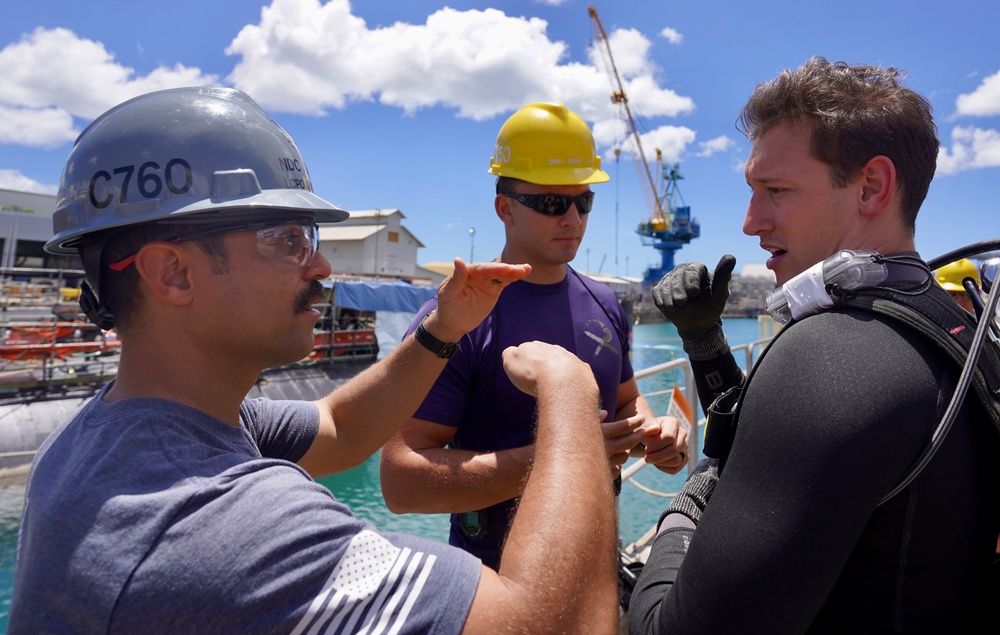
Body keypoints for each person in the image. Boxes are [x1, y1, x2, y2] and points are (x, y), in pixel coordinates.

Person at [9, 86, 621, 634]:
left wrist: (442, 330)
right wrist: (568, 396)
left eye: (312, 238)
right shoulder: (218, 524)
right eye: (285, 239)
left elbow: (342, 428)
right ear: (172, 272)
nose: (321, 266)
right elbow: (559, 626)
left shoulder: (128, 429)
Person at [629, 57, 1000, 633]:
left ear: (872, 187)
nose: (750, 222)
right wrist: (706, 343)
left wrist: (687, 504)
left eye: (776, 190)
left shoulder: (836, 354)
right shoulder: (944, 319)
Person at [379, 102, 689, 570]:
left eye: (583, 201)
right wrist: (569, 456)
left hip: (595, 567)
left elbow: (626, 400)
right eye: (551, 203)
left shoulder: (604, 302)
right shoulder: (456, 319)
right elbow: (401, 481)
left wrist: (656, 432)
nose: (572, 218)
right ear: (505, 208)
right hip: (495, 583)